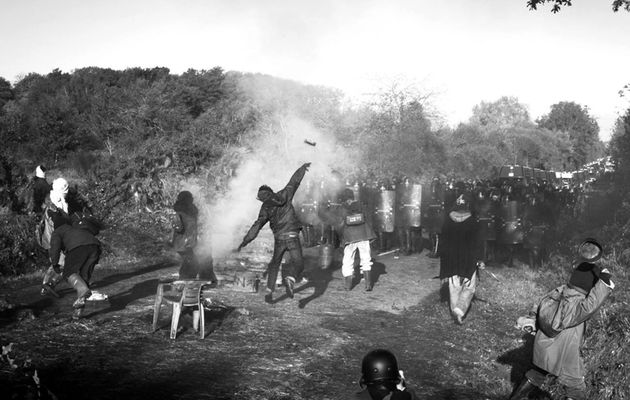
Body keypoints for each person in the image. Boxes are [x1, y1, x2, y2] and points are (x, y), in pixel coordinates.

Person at [509, 238, 614, 400]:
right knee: (575, 386)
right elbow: (589, 306)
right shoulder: (576, 306)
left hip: (550, 343)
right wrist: (605, 283)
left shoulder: (560, 293)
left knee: (539, 371)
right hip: (567, 342)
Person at [236, 162, 311, 303]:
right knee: (299, 264)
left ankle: (269, 292)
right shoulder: (285, 194)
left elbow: (257, 226)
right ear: (271, 191)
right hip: (292, 236)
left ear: (261, 198)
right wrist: (302, 169)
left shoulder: (265, 207)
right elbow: (294, 181)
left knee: (274, 264)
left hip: (279, 239)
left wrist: (245, 241)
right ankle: (291, 278)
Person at [438, 192, 483, 325]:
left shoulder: (447, 222)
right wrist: (480, 259)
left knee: (454, 287)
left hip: (451, 260)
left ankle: (454, 310)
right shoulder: (473, 223)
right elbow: (478, 243)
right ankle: (459, 310)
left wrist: (444, 261)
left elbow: (443, 243)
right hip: (468, 260)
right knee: (469, 287)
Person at [319, 188, 376, 291]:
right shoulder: (362, 205)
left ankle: (348, 286)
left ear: (344, 199)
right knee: (366, 259)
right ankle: (368, 285)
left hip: (350, 238)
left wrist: (324, 209)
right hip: (364, 235)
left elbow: (334, 220)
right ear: (353, 197)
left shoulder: (342, 208)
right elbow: (369, 219)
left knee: (348, 261)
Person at [49, 213, 102, 319]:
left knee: (68, 273)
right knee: (84, 279)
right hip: (95, 247)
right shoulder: (75, 227)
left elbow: (54, 249)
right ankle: (78, 312)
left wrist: (55, 264)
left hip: (78, 248)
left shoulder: (58, 231)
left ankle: (82, 293)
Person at [171, 190, 216, 281]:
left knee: (196, 260)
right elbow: (178, 228)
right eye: (190, 198)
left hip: (189, 242)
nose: (192, 200)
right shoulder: (179, 213)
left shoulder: (190, 210)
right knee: (192, 263)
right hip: (183, 244)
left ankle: (190, 279)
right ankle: (185, 281)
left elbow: (193, 227)